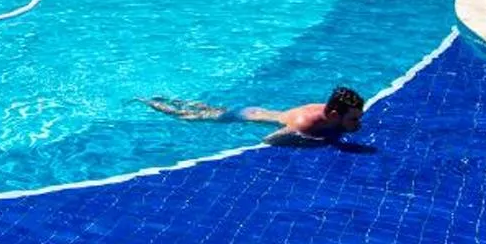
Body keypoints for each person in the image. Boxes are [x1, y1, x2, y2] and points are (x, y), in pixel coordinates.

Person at [148, 85, 367, 147]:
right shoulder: (306, 125)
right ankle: (152, 103)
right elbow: (269, 139)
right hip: (248, 116)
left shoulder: (330, 110)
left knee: (211, 110)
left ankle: (166, 98)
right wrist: (313, 141)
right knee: (191, 117)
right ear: (335, 115)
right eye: (354, 119)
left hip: (254, 110)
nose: (358, 123)